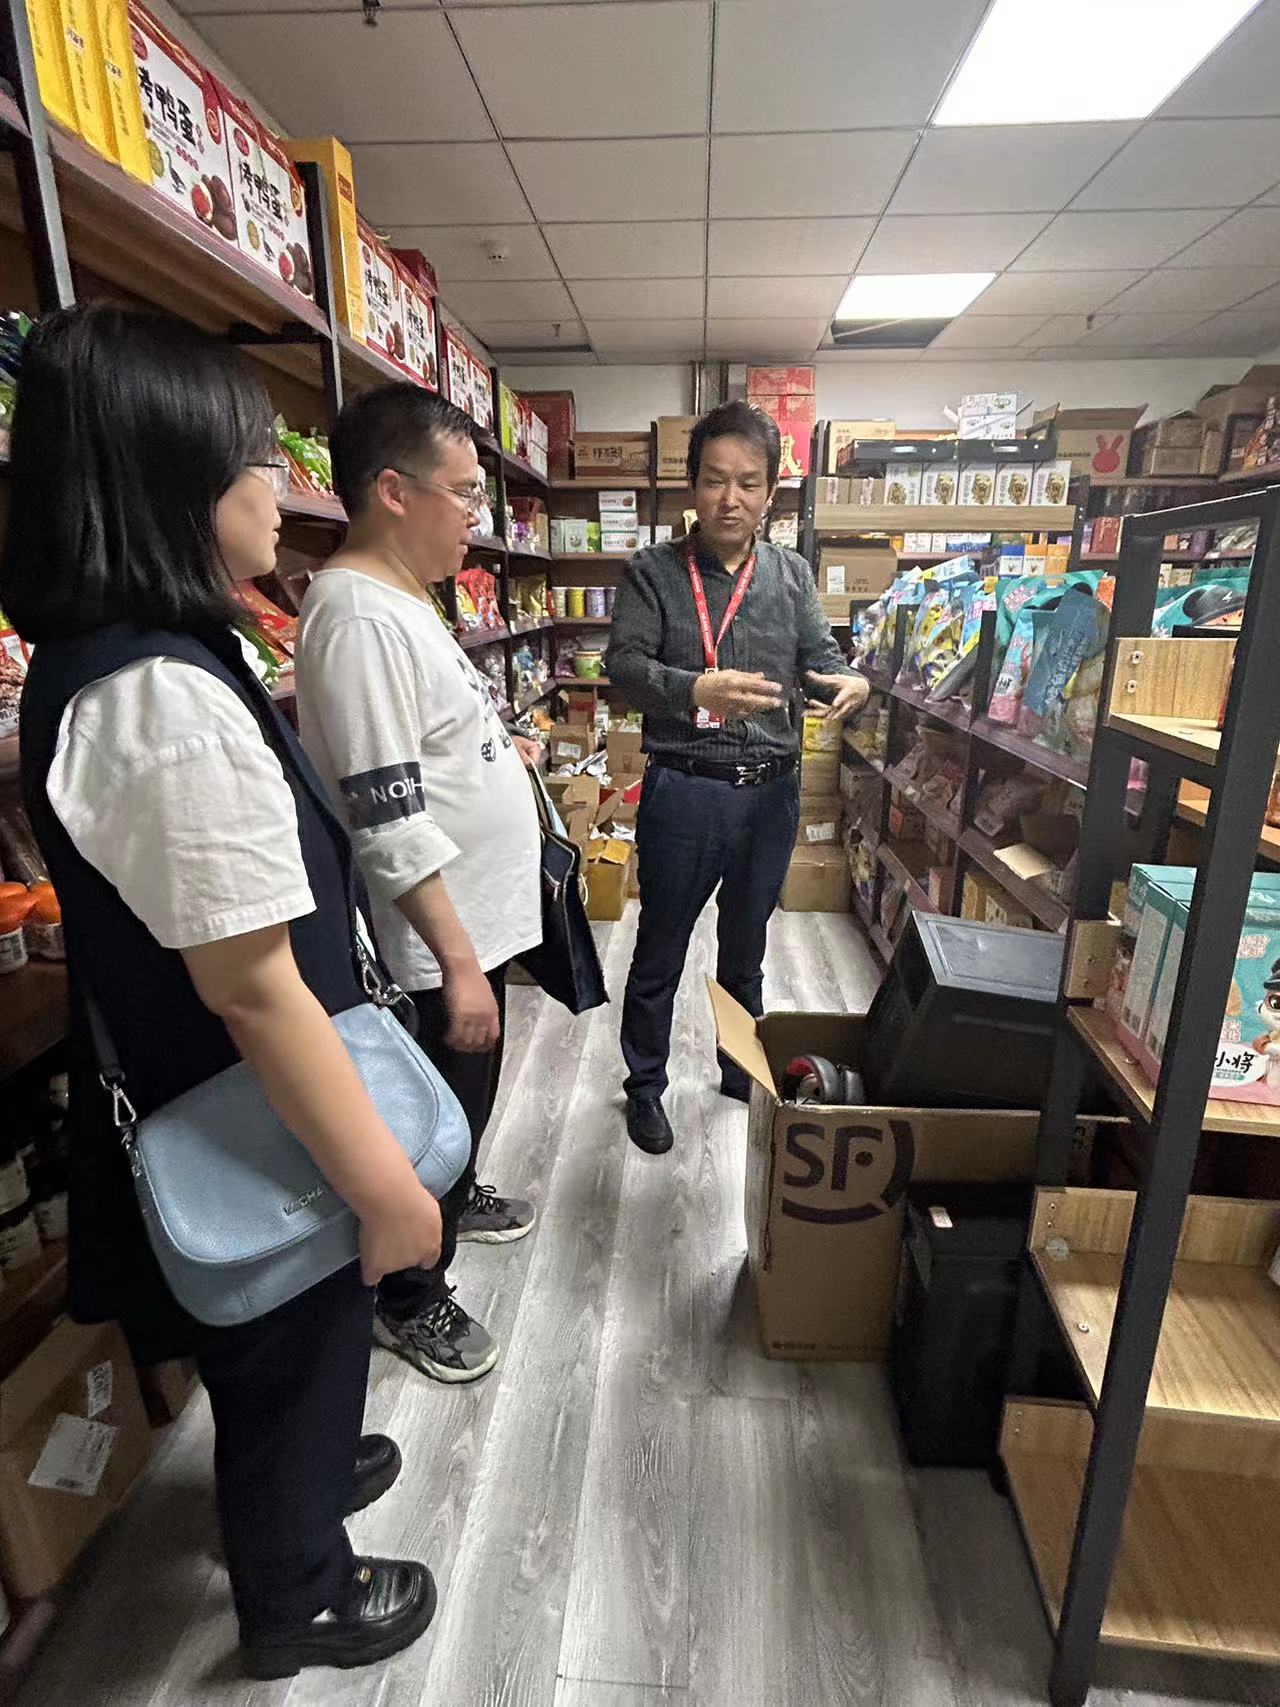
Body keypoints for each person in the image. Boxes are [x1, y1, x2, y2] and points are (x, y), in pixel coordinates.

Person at [3, 304, 441, 1678]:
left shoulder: (141, 656)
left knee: (293, 1342)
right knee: (293, 1319)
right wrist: (386, 1186)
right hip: (251, 1102)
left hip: (234, 1086)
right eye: (257, 455)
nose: (282, 484)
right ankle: (298, 1587)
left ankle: (303, 1474)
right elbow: (254, 993)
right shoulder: (158, 697)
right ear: (170, 478)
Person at [295, 384, 541, 1385]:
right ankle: (408, 1295)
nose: (475, 516)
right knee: (425, 1113)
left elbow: (425, 755)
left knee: (460, 1104)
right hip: (434, 946)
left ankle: (456, 1189)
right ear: (394, 491)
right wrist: (458, 961)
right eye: (465, 493)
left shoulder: (403, 597)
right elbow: (386, 817)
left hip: (471, 928)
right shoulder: (357, 617)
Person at [606, 400, 869, 1155]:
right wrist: (695, 688)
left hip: (771, 792)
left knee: (746, 947)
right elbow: (623, 666)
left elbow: (821, 658)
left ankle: (736, 1065)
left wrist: (851, 682)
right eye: (715, 480)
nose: (731, 499)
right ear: (691, 485)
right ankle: (645, 1087)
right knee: (660, 948)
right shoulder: (652, 572)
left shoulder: (790, 574)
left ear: (771, 491)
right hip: (685, 788)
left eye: (749, 483)